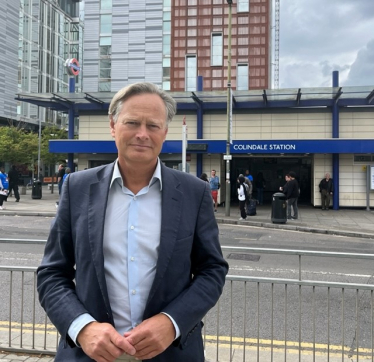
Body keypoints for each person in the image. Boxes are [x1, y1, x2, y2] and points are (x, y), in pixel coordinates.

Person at [37, 82, 228, 362]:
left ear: (164, 132)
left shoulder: (193, 192)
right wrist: (82, 328)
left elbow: (212, 270)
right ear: (113, 126)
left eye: (153, 125)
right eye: (132, 122)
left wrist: (171, 323)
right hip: (89, 354)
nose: (142, 134)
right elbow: (52, 274)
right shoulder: (77, 187)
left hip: (171, 353)